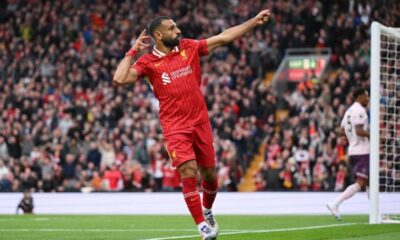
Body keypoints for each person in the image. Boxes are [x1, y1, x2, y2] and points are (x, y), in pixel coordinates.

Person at [113, 10, 271, 240]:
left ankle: (207, 211)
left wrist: (254, 22)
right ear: (157, 35)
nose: (178, 31)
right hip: (175, 127)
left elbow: (224, 37)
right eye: (172, 28)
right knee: (188, 171)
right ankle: (202, 227)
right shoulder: (147, 62)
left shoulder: (189, 47)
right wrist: (133, 50)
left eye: (176, 27)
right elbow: (119, 79)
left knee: (209, 175)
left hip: (200, 122)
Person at [326, 88, 370, 220]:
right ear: (360, 96)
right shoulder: (360, 110)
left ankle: (375, 213)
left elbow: (341, 131)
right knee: (360, 183)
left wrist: (351, 138)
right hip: (362, 150)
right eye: (366, 97)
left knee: (370, 182)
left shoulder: (348, 111)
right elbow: (359, 130)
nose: (368, 99)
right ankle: (335, 203)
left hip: (352, 150)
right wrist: (375, 135)